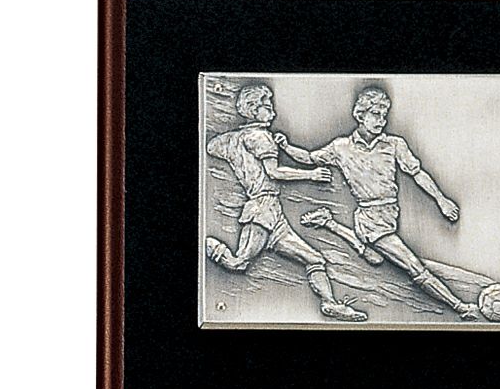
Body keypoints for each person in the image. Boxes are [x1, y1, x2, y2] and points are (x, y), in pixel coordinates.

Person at [275, 87, 478, 320]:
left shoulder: (394, 145)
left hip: (389, 215)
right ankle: (460, 307)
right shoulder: (341, 147)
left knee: (376, 258)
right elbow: (309, 158)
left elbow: (417, 173)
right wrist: (286, 147)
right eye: (375, 114)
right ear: (360, 115)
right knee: (414, 267)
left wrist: (441, 200)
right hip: (370, 220)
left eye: (384, 115)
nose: (381, 120)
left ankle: (332, 225)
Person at [205, 84, 366, 322]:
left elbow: (211, 147)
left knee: (314, 259)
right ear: (253, 109)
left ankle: (330, 304)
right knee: (240, 263)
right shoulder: (261, 138)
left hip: (273, 214)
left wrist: (243, 146)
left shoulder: (232, 139)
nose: (272, 110)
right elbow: (275, 172)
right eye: (266, 105)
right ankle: (211, 248)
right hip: (261, 210)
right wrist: (311, 175)